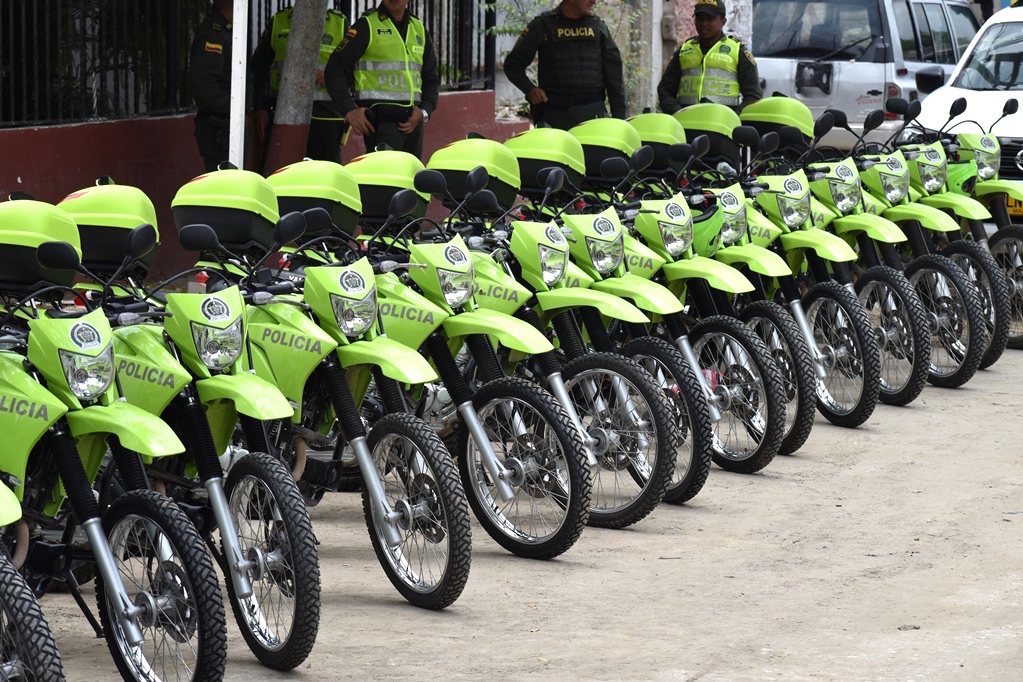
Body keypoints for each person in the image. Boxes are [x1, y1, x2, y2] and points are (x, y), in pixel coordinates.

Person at [323, 0, 439, 160]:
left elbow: (431, 78)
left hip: (413, 123)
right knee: (384, 179)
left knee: (412, 179)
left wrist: (424, 111)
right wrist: (349, 109)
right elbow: (335, 69)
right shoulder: (367, 26)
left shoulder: (418, 28)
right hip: (380, 122)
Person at [503, 0, 627, 130]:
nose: (594, 1)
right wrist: (530, 89)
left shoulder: (598, 28)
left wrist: (619, 122)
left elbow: (615, 79)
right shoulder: (543, 25)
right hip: (555, 118)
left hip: (594, 117)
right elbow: (513, 65)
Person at [250, 6, 348, 165]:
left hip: (327, 117)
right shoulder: (278, 21)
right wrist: (260, 107)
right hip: (283, 115)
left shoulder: (340, 23)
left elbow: (355, 69)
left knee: (325, 177)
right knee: (282, 174)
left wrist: (330, 77)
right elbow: (258, 70)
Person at [657, 0, 761, 114]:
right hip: (687, 124)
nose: (703, 24)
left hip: (723, 126)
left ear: (723, 21)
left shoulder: (738, 51)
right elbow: (665, 90)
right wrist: (677, 112)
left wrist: (734, 117)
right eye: (699, 18)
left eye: (709, 19)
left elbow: (753, 95)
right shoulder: (684, 51)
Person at [187, 0, 235, 171]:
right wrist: (234, 109)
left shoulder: (227, 31)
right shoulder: (214, 34)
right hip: (218, 127)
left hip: (226, 125)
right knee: (223, 187)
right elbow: (203, 82)